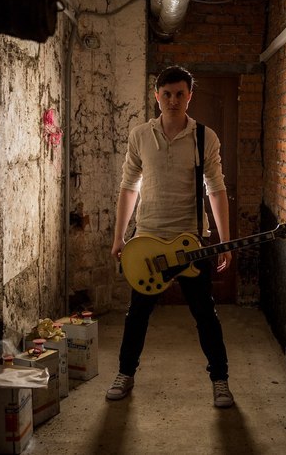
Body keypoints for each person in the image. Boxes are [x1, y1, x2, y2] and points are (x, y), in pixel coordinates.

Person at [106, 65, 234, 408]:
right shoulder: (140, 135)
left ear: (190, 96)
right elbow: (128, 187)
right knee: (137, 315)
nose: (173, 100)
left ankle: (220, 380)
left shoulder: (205, 137)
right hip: (147, 239)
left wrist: (223, 240)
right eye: (167, 94)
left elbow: (216, 189)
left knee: (205, 314)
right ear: (156, 96)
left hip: (190, 240)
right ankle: (125, 373)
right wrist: (119, 237)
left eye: (180, 94)